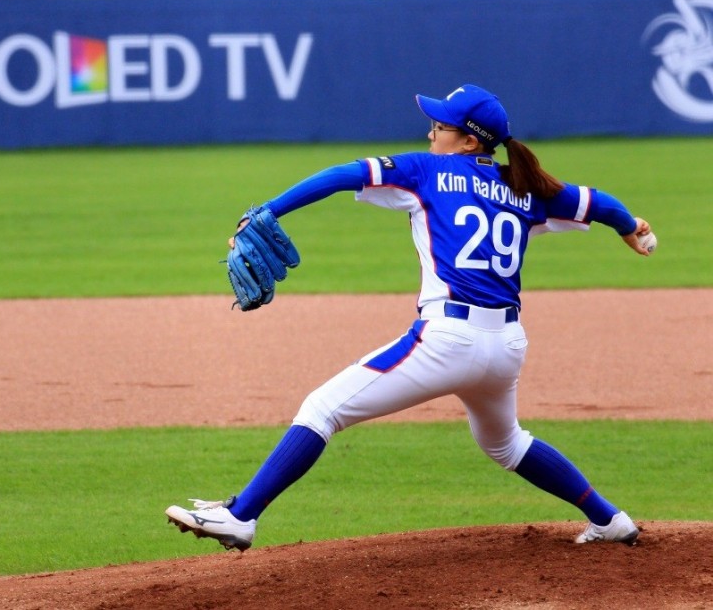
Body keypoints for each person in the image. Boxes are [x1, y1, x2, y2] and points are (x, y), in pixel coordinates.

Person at [166, 84, 651, 551]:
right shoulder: (526, 188)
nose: (429, 135)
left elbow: (340, 175)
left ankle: (241, 515)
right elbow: (602, 204)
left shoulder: (425, 172)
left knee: (321, 409)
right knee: (506, 444)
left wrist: (267, 210)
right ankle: (610, 520)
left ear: (467, 139)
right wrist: (632, 228)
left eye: (439, 126)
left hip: (447, 340)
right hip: (505, 349)